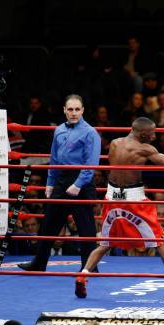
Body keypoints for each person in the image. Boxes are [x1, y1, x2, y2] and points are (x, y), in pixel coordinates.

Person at [79, 117, 164, 298]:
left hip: (111, 198)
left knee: (105, 243)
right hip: (133, 200)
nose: (155, 137)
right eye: (152, 134)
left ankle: (83, 275)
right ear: (142, 134)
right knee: (160, 241)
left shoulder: (115, 143)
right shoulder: (144, 148)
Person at [18, 94, 100, 280]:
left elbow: (91, 163)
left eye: (77, 109)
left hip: (82, 180)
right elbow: (54, 158)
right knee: (49, 223)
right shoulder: (59, 130)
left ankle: (89, 268)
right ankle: (39, 263)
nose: (73, 113)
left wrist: (78, 184)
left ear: (83, 110)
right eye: (70, 109)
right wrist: (49, 183)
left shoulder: (90, 132)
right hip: (61, 179)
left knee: (85, 226)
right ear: (64, 110)